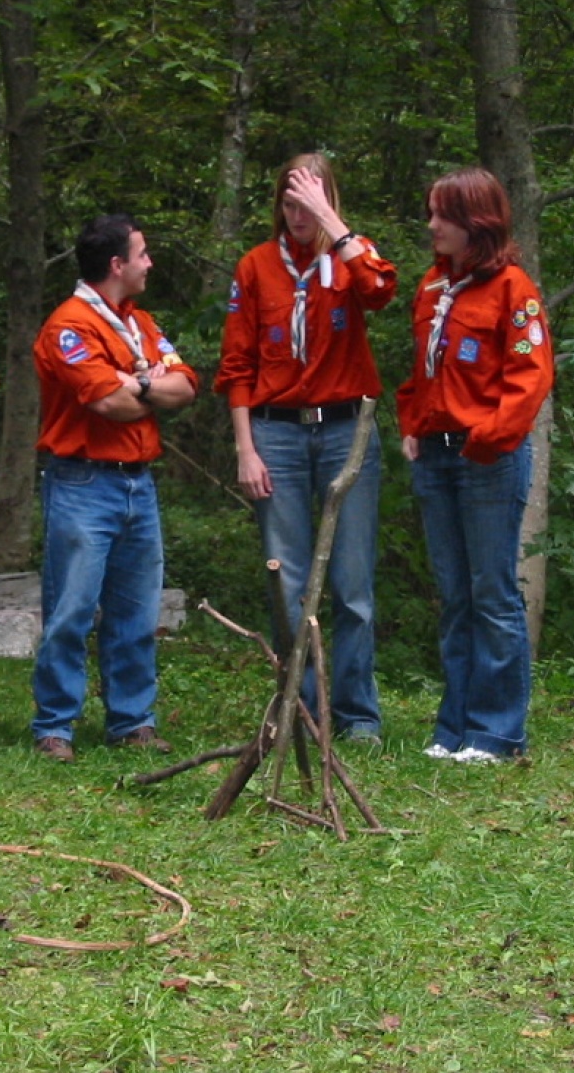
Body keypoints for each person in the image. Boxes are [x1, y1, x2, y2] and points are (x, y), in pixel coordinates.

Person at [214, 153, 398, 741]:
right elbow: (236, 364)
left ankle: (358, 715)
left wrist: (332, 224)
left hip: (347, 428)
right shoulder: (256, 267)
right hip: (275, 431)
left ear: (329, 201)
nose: (297, 215)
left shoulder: (351, 257)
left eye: (309, 202)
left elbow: (380, 292)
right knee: (288, 580)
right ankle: (302, 709)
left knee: (351, 582)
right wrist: (246, 448)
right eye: (289, 203)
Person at [395, 166, 554, 763]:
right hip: (434, 456)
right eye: (432, 212)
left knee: (492, 594)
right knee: (455, 595)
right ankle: (453, 726)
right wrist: (412, 424)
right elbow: (422, 371)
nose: (432, 224)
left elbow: (530, 377)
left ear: (476, 222)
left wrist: (485, 438)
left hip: (487, 457)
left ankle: (497, 733)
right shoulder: (432, 286)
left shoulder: (514, 289)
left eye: (443, 215)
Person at [30, 214, 199, 762]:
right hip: (82, 483)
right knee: (73, 610)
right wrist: (146, 386)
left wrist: (141, 380)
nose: (150, 263)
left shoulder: (140, 321)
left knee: (135, 611)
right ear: (116, 264)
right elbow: (108, 404)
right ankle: (54, 725)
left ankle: (132, 721)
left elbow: (187, 385)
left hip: (137, 483)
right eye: (143, 254)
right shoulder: (70, 326)